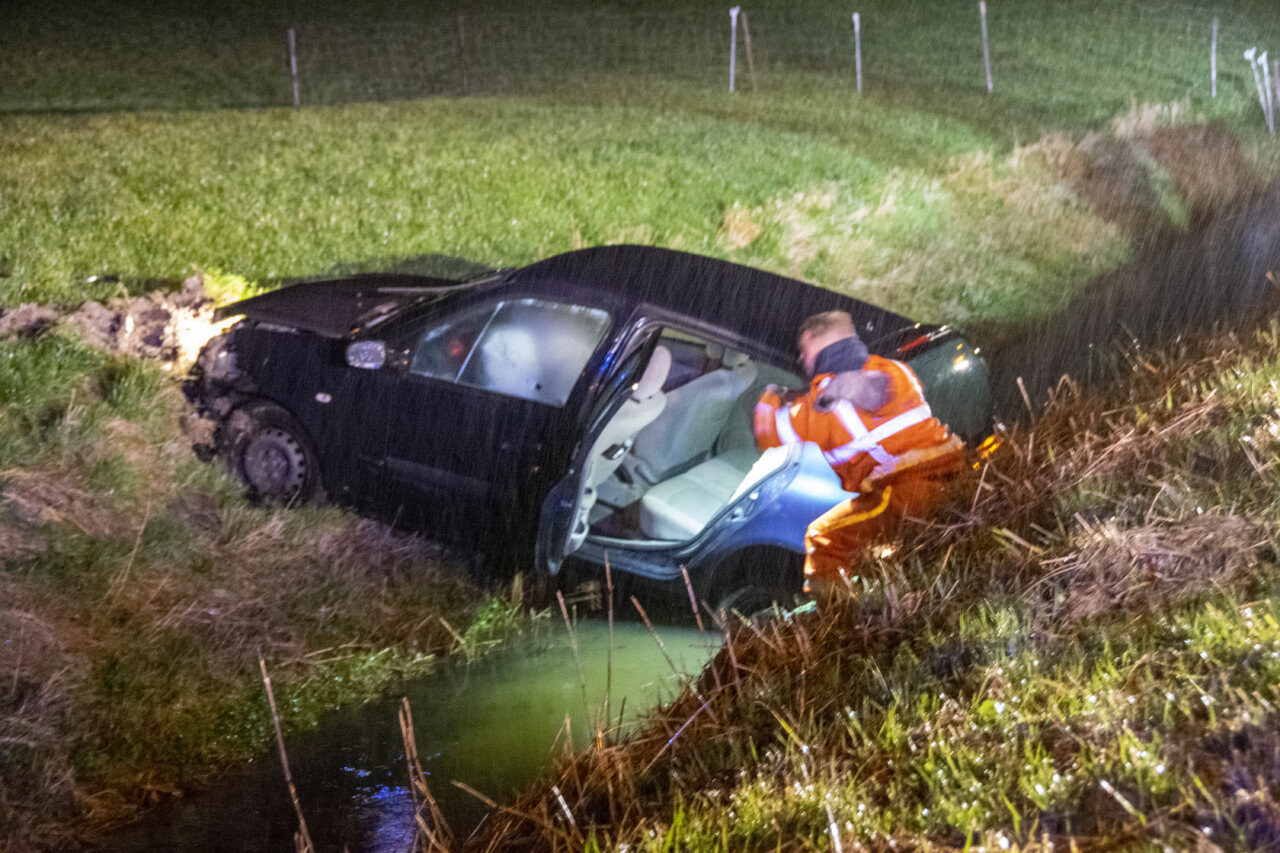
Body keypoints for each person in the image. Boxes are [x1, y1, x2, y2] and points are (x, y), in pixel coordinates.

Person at [753, 310, 965, 597]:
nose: (802, 360)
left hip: (909, 490)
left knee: (824, 538)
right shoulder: (896, 370)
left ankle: (840, 618)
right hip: (954, 467)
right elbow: (879, 392)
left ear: (815, 339)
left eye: (803, 351)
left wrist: (771, 394)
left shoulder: (824, 404)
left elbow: (767, 434)